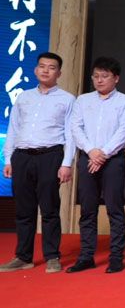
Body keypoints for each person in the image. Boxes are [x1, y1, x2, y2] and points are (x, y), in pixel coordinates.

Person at [0, 52, 75, 274]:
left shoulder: (67, 99)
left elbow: (71, 134)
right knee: (24, 209)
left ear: (59, 73)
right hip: (22, 156)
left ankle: (52, 256)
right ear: (35, 70)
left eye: (51, 67)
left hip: (50, 156)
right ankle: (23, 256)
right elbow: (13, 128)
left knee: (50, 209)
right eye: (42, 66)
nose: (45, 70)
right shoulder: (24, 97)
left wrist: (67, 163)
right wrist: (8, 158)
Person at [66, 57, 125, 274]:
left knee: (114, 209)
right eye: (96, 76)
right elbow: (75, 128)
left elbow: (124, 131)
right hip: (88, 157)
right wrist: (91, 151)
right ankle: (86, 256)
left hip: (113, 160)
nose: (99, 80)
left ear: (116, 78)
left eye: (104, 76)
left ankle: (116, 257)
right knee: (87, 209)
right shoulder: (83, 100)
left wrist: (103, 154)